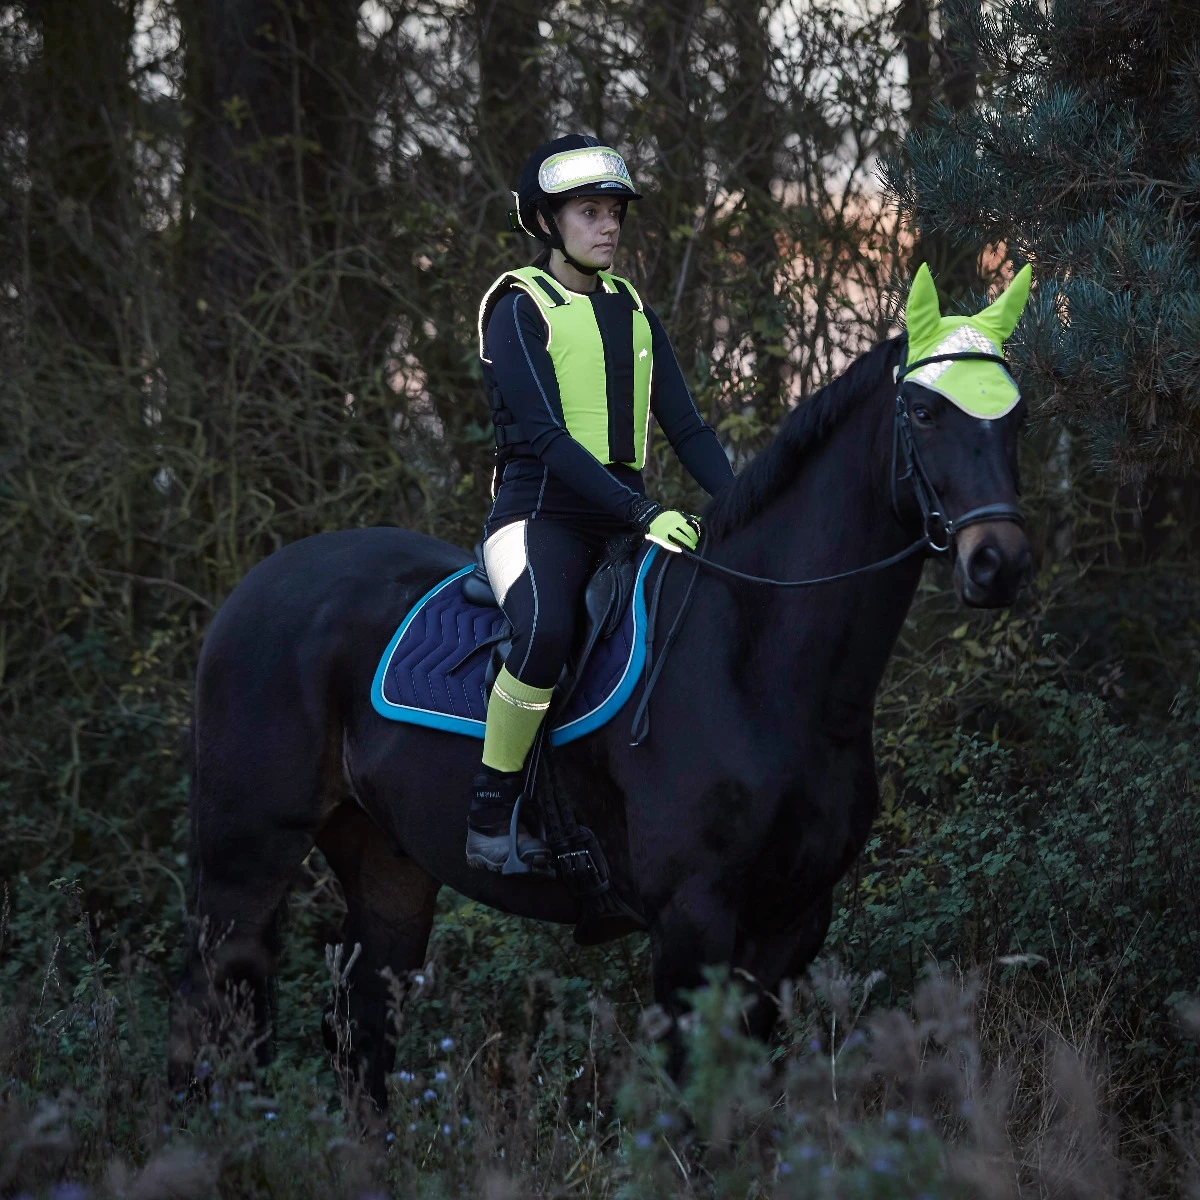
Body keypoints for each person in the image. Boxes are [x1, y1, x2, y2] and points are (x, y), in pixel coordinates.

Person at [467, 133, 735, 871]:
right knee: (545, 633)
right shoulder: (519, 307)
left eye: (614, 210)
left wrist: (748, 504)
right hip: (537, 516)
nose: (609, 225)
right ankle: (490, 813)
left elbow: (687, 428)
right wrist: (644, 515)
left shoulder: (632, 310)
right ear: (549, 223)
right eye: (590, 212)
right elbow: (548, 439)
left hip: (623, 516)